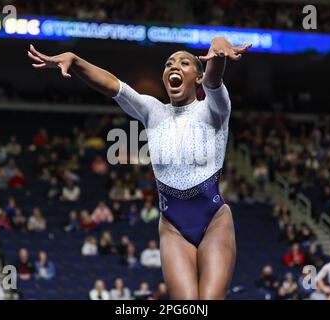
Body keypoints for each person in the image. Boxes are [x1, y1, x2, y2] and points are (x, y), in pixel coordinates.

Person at [28, 37, 251, 299]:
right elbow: (114, 86)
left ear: (198, 77)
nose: (174, 67)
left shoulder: (214, 110)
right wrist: (75, 61)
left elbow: (214, 80)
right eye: (169, 64)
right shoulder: (153, 111)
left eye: (184, 63)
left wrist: (217, 47)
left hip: (214, 219)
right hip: (173, 227)